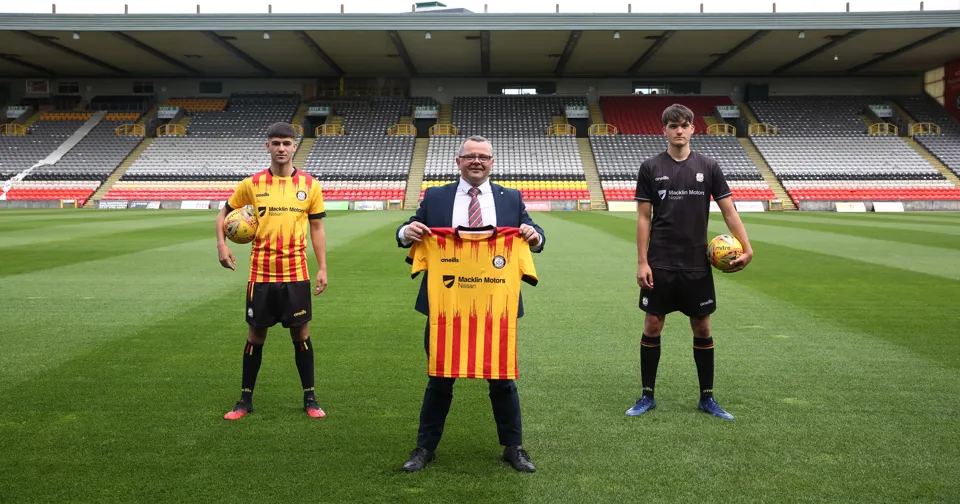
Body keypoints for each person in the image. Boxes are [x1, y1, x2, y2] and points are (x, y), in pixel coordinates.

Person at [395, 134, 545, 473]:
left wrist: (535, 237)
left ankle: (513, 446)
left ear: (492, 163)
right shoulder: (436, 196)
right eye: (470, 156)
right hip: (446, 305)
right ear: (458, 161)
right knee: (440, 377)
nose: (476, 161)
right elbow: (406, 229)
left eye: (483, 156)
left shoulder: (511, 197)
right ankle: (424, 448)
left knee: (502, 379)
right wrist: (408, 233)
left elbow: (534, 231)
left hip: (496, 305)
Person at [628, 104, 754, 421]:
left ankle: (707, 398)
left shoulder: (709, 167)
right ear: (664, 130)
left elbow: (729, 211)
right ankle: (647, 396)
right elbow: (644, 218)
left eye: (684, 125)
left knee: (701, 325)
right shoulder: (650, 167)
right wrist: (642, 262)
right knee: (653, 324)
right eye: (673, 126)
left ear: (693, 129)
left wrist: (747, 247)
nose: (679, 130)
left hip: (697, 262)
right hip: (660, 261)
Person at [215, 122, 329, 421]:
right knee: (255, 336)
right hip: (261, 274)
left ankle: (310, 398)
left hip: (296, 273)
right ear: (268, 146)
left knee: (301, 333)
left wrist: (323, 267)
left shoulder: (309, 184)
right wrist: (221, 245)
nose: (281, 148)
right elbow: (224, 213)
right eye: (276, 143)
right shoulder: (251, 184)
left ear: (295, 146)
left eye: (287, 143)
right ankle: (244, 400)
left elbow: (317, 228)